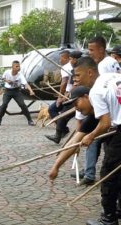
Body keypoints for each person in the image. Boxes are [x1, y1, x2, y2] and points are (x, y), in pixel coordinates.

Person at [66, 79, 121, 225]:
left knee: (109, 173)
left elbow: (105, 123)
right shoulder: (110, 79)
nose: (76, 80)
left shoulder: (96, 92)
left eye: (78, 75)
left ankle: (109, 219)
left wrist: (91, 136)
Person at [45, 50, 78, 143]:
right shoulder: (72, 67)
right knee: (53, 109)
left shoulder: (67, 67)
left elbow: (64, 83)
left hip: (70, 96)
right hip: (69, 94)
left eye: (62, 58)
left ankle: (59, 135)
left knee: (62, 115)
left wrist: (60, 97)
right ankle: (62, 130)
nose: (60, 60)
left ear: (68, 58)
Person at [0, 60, 35, 126]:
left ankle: (30, 120)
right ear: (12, 67)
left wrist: (31, 91)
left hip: (16, 91)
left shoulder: (20, 75)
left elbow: (26, 84)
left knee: (22, 104)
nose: (18, 68)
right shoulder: (7, 72)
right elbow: (3, 78)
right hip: (7, 91)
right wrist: (7, 80)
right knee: (4, 104)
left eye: (19, 66)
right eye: (17, 66)